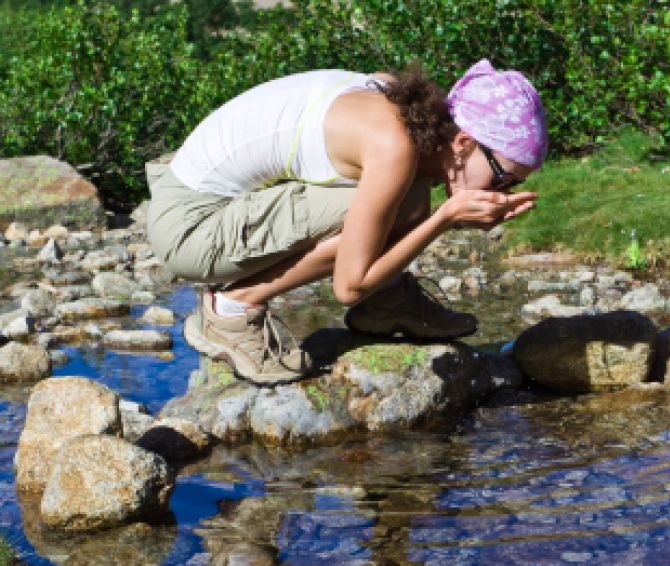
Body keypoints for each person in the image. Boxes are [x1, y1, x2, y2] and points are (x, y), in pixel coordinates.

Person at [146, 58, 548, 384]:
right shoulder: (394, 143)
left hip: (198, 202)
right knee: (398, 204)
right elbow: (349, 286)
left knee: (406, 198)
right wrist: (445, 218)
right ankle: (231, 309)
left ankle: (386, 303)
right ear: (464, 142)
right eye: (502, 177)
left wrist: (444, 212)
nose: (503, 191)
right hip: (190, 228)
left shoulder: (404, 106)